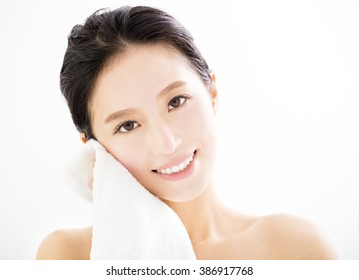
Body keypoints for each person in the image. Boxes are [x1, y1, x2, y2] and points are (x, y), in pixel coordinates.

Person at [36, 5, 337, 260]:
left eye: (176, 102)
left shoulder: (294, 249)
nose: (167, 143)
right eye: (128, 125)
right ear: (94, 147)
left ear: (212, 93)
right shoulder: (68, 256)